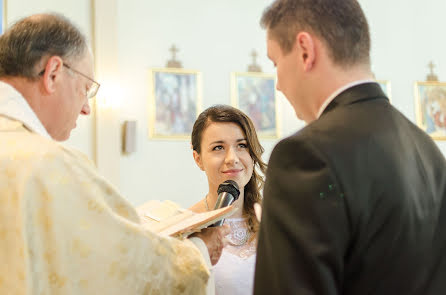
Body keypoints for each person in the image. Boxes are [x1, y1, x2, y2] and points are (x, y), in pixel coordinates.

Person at [0, 13, 229, 295]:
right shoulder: (49, 166)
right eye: (85, 88)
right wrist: (199, 251)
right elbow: (120, 271)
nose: (86, 108)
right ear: (53, 73)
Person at [254, 0, 446, 294]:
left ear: (305, 51)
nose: (277, 84)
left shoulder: (305, 157)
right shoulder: (426, 149)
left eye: (275, 62)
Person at [189, 105, 267, 295]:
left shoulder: (274, 219)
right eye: (218, 148)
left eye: (242, 145)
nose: (232, 158)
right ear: (198, 159)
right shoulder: (186, 228)